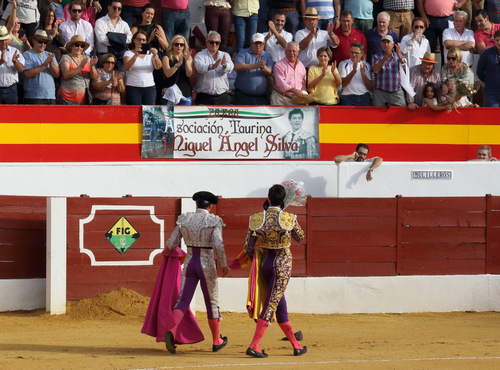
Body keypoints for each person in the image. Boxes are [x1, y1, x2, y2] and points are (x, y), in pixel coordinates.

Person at [244, 184, 307, 358]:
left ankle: (296, 345)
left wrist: (253, 260)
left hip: (265, 264)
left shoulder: (256, 218)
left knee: (280, 306)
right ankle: (254, 345)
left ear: (268, 198)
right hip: (282, 265)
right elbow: (300, 237)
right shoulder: (289, 218)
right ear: (284, 200)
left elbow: (248, 247)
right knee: (271, 305)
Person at [164, 191, 229, 355]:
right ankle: (216, 341)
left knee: (183, 300)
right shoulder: (214, 220)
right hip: (207, 264)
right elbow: (218, 245)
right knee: (212, 302)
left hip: (190, 263)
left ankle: (171, 331)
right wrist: (223, 264)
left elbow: (171, 243)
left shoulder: (184, 219)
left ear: (196, 204)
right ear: (211, 206)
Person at [193, 30, 234, 105]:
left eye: (217, 42)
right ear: (207, 42)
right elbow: (200, 68)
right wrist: (212, 66)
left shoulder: (225, 55)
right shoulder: (199, 55)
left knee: (223, 117)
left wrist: (224, 65)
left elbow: (231, 67)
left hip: (222, 97)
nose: (214, 44)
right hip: (204, 97)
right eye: (212, 42)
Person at [233, 33, 274, 105]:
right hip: (242, 96)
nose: (258, 46)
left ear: (264, 44)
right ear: (251, 43)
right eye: (256, 43)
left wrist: (263, 67)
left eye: (260, 44)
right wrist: (256, 65)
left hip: (261, 98)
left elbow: (270, 72)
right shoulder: (243, 52)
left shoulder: (268, 56)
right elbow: (237, 66)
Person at [123, 30, 162, 105]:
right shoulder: (128, 53)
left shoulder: (150, 54)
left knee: (149, 113)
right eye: (139, 39)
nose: (141, 41)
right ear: (134, 40)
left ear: (146, 41)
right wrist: (135, 55)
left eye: (144, 40)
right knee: (134, 113)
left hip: (150, 87)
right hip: (133, 87)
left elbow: (158, 67)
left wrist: (155, 56)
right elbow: (127, 67)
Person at [22, 30, 60, 105]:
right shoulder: (27, 54)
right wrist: (44, 65)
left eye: (45, 42)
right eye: (40, 41)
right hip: (33, 97)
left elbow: (56, 75)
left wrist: (51, 63)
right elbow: (27, 73)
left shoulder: (50, 55)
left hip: (50, 96)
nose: (43, 44)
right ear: (33, 41)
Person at [59, 35, 98, 104]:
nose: (79, 48)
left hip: (83, 98)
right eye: (77, 45)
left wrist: (92, 66)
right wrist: (80, 67)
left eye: (82, 46)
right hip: (67, 98)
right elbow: (65, 74)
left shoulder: (87, 58)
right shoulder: (66, 57)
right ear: (71, 46)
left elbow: (93, 76)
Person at [372, 35, 407, 106]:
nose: (386, 44)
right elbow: (375, 70)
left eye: (388, 42)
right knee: (376, 113)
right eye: (384, 42)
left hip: (396, 91)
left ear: (392, 44)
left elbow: (405, 68)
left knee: (401, 112)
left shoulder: (399, 56)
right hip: (380, 91)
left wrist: (399, 55)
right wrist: (385, 57)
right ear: (381, 44)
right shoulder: (376, 56)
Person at [94, 0, 133, 66]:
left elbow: (130, 39)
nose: (117, 10)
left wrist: (110, 36)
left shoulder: (124, 24)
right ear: (109, 8)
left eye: (119, 8)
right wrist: (121, 39)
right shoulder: (100, 22)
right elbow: (102, 39)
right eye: (114, 8)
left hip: (120, 56)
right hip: (104, 55)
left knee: (122, 75)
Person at [161, 34, 193, 105]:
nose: (179, 46)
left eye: (181, 45)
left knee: (184, 114)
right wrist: (178, 64)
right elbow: (167, 74)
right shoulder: (166, 57)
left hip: (185, 90)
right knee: (168, 115)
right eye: (176, 44)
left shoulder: (188, 57)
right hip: (169, 91)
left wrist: (186, 61)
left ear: (184, 46)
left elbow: (189, 74)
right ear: (172, 45)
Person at [0, 25, 25, 104]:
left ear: (8, 39)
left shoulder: (15, 51)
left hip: (11, 89)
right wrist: (1, 61)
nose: (4, 42)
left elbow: (21, 69)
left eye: (5, 40)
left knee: (12, 114)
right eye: (1, 40)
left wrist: (15, 62)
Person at [476, 29, 500, 107]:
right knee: (491, 117)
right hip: (491, 93)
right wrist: (488, 80)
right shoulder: (486, 53)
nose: (499, 43)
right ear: (494, 39)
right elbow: (479, 72)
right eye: (497, 40)